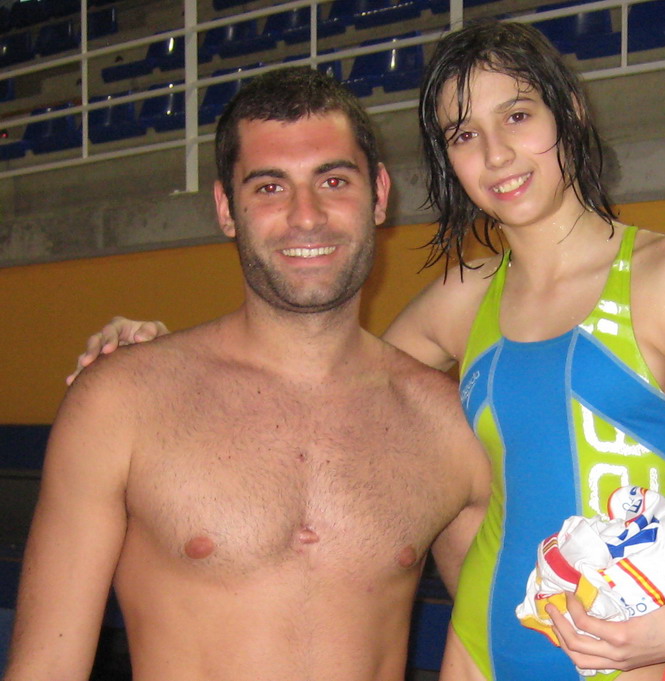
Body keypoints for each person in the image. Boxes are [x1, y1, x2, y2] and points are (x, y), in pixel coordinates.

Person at [64, 22, 665, 681]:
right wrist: (160, 361)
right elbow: (323, 379)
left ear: (570, 111)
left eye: (518, 116)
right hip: (481, 649)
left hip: (623, 647)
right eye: (465, 134)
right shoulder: (462, 299)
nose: (497, 154)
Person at [3, 66, 493, 681]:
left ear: (379, 194)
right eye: (269, 187)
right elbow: (46, 666)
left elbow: (499, 648)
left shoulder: (448, 424)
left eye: (333, 180)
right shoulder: (122, 402)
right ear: (225, 208)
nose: (306, 216)